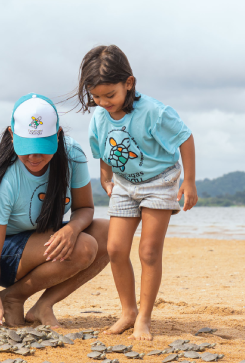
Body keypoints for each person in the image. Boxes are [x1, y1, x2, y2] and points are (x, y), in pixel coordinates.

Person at [72, 45, 198, 340]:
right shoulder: (100, 117)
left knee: (149, 251)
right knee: (115, 249)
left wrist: (189, 182)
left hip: (159, 182)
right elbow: (102, 150)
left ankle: (144, 318)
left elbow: (185, 137)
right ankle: (128, 312)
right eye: (97, 97)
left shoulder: (154, 112)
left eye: (110, 95)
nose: (103, 102)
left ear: (129, 83)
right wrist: (105, 178)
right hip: (124, 186)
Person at [0, 93, 109, 328]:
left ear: (58, 135)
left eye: (42, 147)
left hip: (40, 242)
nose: (34, 156)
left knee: (110, 234)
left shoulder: (72, 154)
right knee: (85, 247)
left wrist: (72, 228)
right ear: (12, 136)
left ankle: (43, 306)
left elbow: (84, 208)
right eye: (27, 148)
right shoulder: (4, 176)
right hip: (5, 254)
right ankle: (11, 297)